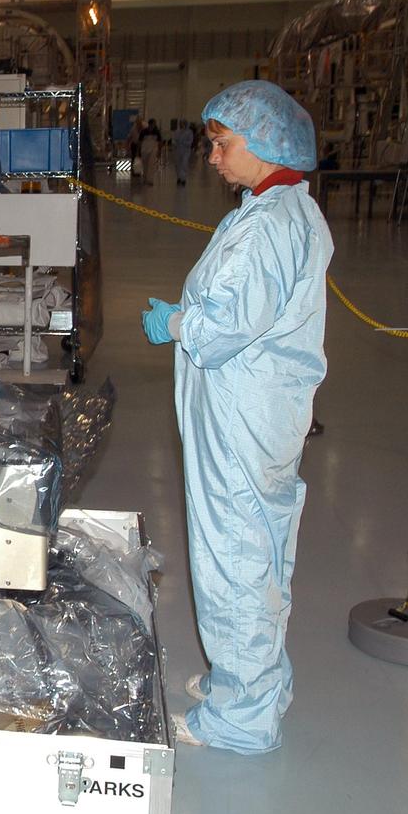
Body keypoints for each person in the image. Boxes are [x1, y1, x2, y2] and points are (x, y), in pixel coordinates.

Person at [140, 80, 332, 753]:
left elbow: (225, 329)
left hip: (241, 412)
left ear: (266, 141)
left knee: (236, 554)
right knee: (262, 546)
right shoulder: (275, 209)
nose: (213, 157)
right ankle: (252, 680)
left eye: (223, 144)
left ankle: (242, 717)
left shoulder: (269, 227)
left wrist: (177, 323)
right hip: (260, 407)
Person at [171, 120, 195, 186]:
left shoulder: (189, 132)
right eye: (181, 124)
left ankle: (183, 179)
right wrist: (175, 143)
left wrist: (183, 142)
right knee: (177, 164)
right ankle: (179, 177)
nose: (182, 125)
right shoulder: (177, 131)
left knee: (184, 163)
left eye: (184, 123)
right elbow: (173, 140)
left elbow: (190, 141)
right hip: (177, 150)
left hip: (186, 150)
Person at [139, 118, 161, 185]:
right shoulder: (143, 131)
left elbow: (160, 141)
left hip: (153, 150)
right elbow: (140, 142)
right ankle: (145, 178)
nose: (153, 125)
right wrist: (138, 151)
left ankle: (150, 180)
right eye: (153, 124)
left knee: (151, 165)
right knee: (145, 165)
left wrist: (159, 151)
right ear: (150, 124)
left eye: (154, 124)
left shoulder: (157, 132)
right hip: (144, 150)